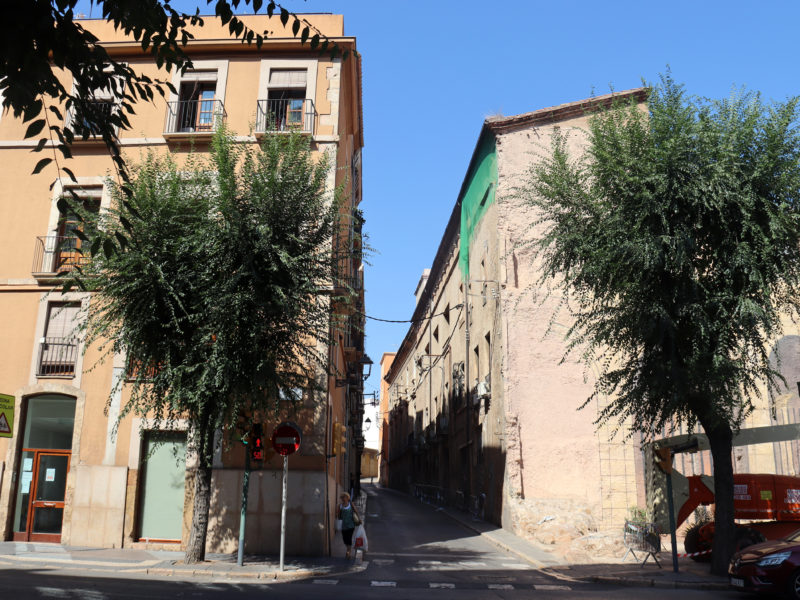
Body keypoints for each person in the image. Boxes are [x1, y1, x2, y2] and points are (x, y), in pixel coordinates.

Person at [338, 492, 360, 559]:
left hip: (351, 525)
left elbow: (356, 511)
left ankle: (348, 551)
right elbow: (339, 516)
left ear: (347, 498)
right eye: (342, 497)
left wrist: (359, 519)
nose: (343, 499)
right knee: (345, 539)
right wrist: (338, 512)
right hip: (344, 525)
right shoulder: (340, 505)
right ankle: (348, 549)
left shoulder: (351, 504)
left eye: (344, 497)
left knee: (349, 538)